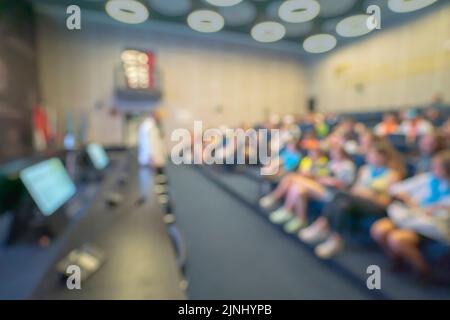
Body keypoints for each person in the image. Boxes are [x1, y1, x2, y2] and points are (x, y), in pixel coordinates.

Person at [299, 141, 405, 259]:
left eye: (376, 155)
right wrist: (360, 192)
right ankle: (335, 238)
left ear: (384, 157)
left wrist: (370, 195)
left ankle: (323, 226)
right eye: (371, 155)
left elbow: (387, 203)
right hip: (356, 202)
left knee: (341, 197)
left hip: (376, 206)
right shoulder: (364, 170)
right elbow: (354, 189)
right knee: (342, 203)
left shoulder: (393, 175)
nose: (372, 158)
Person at [371, 150, 450, 281]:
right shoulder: (427, 178)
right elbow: (395, 188)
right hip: (411, 217)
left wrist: (434, 208)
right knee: (378, 230)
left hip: (431, 226)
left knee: (397, 239)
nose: (433, 168)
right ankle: (398, 260)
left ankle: (423, 271)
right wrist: (410, 200)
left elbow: (441, 213)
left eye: (437, 166)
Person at [260, 146, 356, 234]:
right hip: (319, 186)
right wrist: (318, 176)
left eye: (336, 152)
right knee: (298, 189)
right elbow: (319, 175)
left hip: (333, 193)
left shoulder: (348, 165)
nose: (333, 154)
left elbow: (346, 185)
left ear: (343, 153)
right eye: (332, 152)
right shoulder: (331, 163)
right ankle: (301, 219)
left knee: (292, 178)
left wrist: (329, 180)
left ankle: (282, 205)